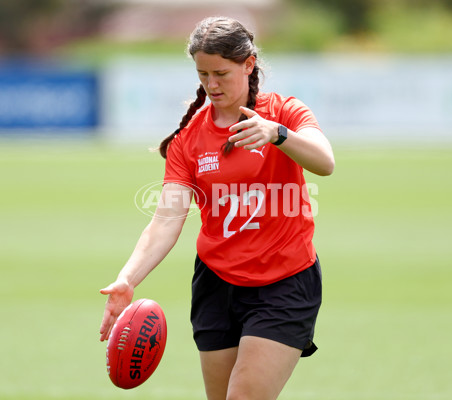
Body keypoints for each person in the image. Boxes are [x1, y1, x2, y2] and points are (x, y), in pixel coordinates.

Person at [99, 16, 335, 400]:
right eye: (203, 74)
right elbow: (165, 219)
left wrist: (277, 134)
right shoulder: (188, 139)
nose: (211, 85)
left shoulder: (285, 112)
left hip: (284, 283)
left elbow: (325, 162)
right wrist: (128, 278)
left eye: (221, 73)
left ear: (248, 63)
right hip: (216, 285)